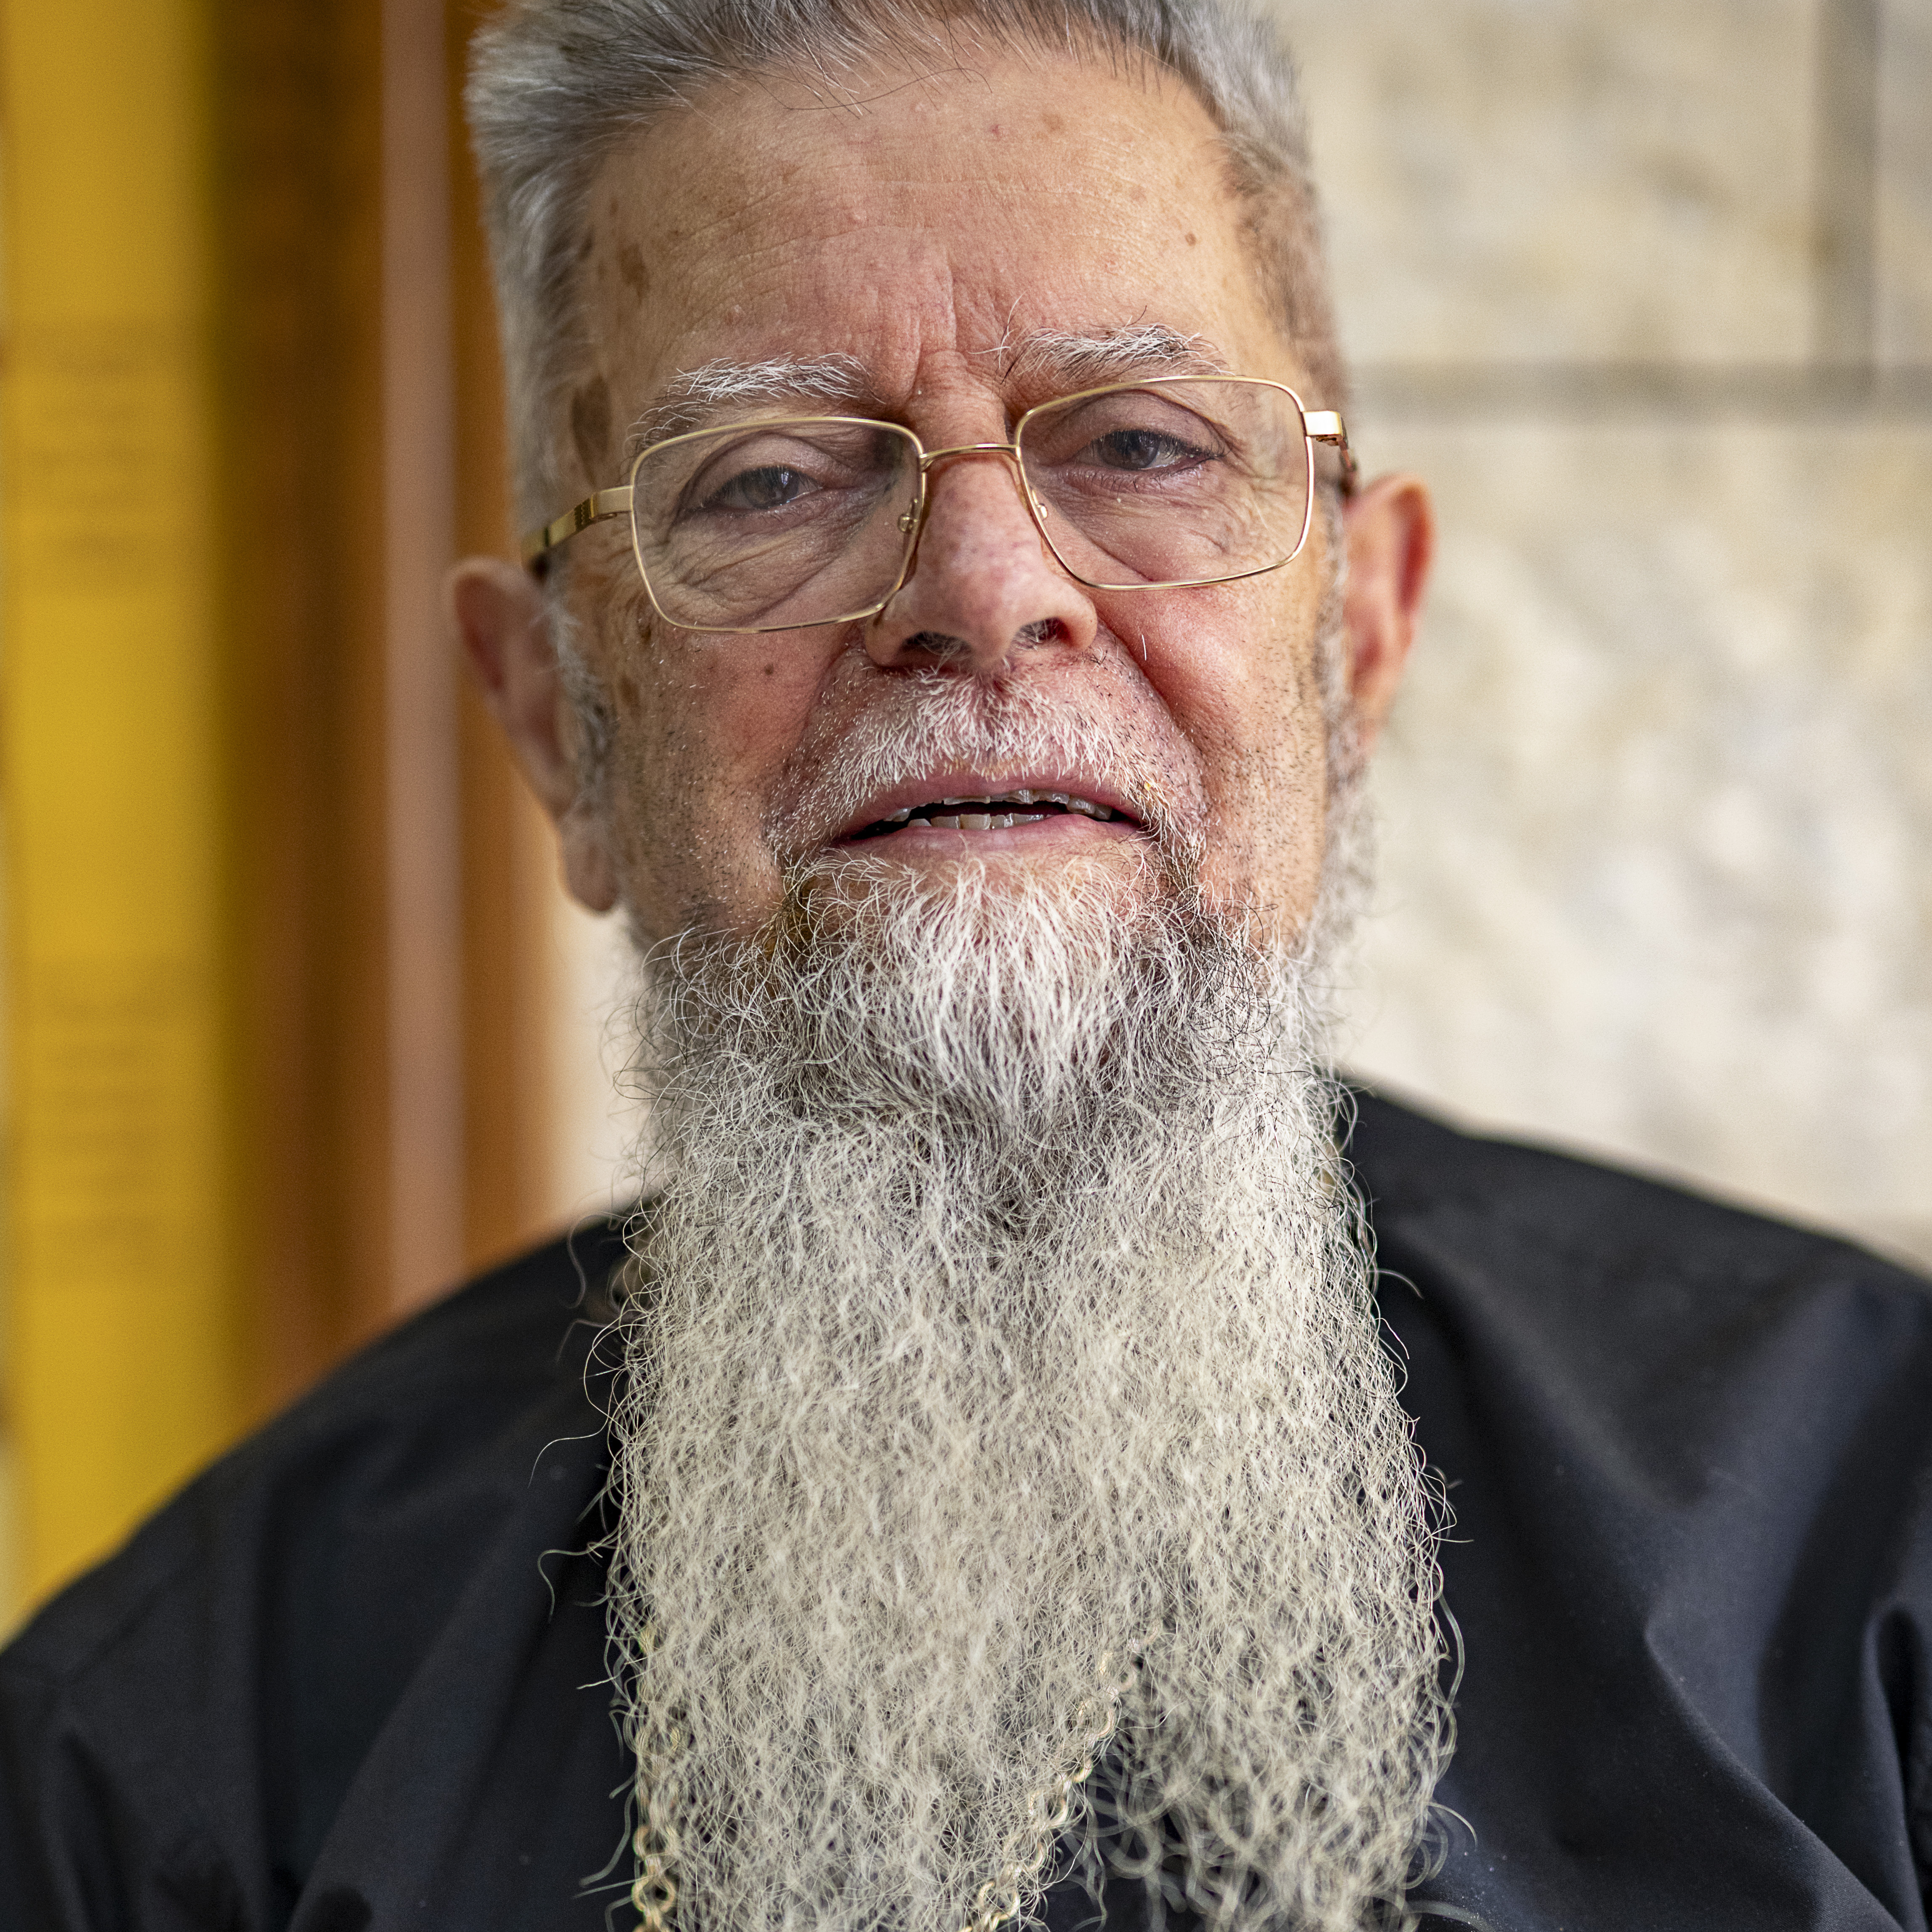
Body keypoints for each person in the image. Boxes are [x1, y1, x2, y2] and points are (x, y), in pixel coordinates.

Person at [4, 1, 1929, 1927]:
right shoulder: (171, 1755)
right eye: (765, 477)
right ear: (551, 717)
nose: (987, 587)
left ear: (1356, 637)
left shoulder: (1866, 1533)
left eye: (1140, 442)